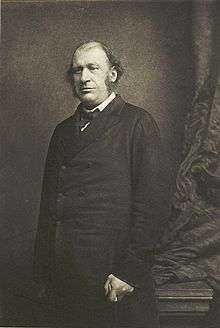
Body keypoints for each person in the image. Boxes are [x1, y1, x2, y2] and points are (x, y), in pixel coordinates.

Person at [34, 41, 166, 328]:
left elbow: (153, 206)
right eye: (77, 70)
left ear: (113, 74)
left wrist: (130, 273)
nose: (84, 78)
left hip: (113, 279)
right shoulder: (63, 131)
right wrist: (43, 274)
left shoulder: (138, 123)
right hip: (65, 277)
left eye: (93, 68)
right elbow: (50, 209)